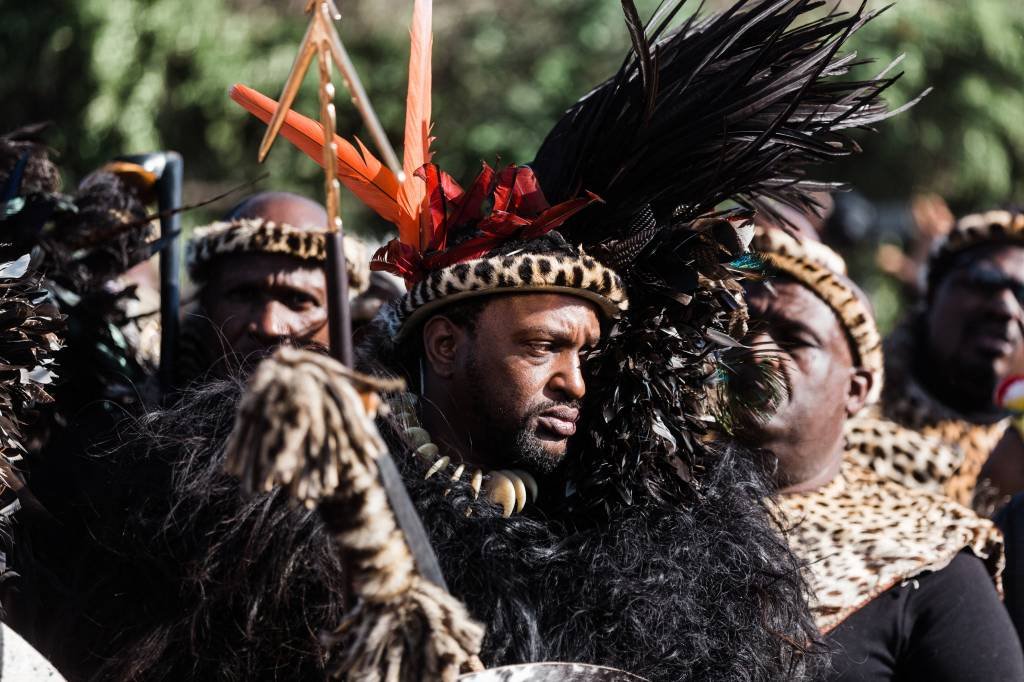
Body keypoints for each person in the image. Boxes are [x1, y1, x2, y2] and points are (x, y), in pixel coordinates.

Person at [70, 0, 909, 679]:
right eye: (543, 348)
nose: (575, 381)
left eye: (586, 354)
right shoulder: (292, 514)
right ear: (444, 345)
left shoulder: (644, 536)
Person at [737, 226, 1023, 679]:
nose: (754, 350)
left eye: (794, 339)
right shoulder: (641, 500)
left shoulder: (934, 549)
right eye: (986, 280)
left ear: (856, 388)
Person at [847, 209, 1024, 511]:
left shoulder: (1014, 467)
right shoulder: (844, 404)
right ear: (932, 293)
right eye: (984, 280)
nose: (1007, 309)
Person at [179, 190, 370, 382]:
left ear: (345, 322)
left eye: (299, 299)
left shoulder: (393, 410)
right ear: (206, 306)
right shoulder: (151, 402)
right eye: (244, 295)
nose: (268, 327)